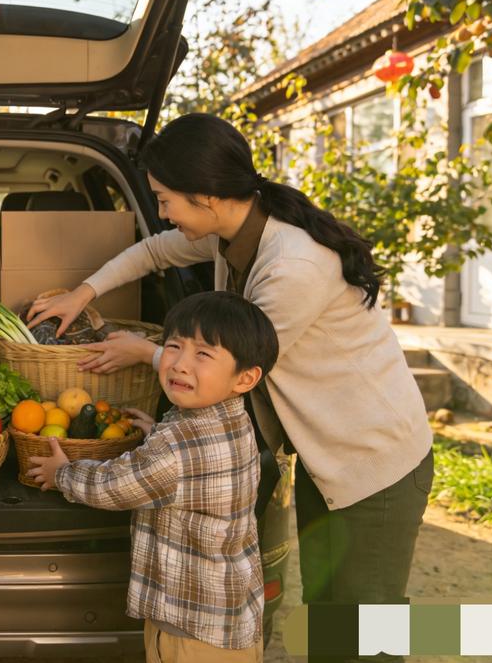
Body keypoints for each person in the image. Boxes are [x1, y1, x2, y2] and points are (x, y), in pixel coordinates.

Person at [28, 113, 433, 662]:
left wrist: (146, 352)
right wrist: (83, 293)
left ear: (208, 196)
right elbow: (153, 252)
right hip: (325, 456)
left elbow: (233, 370)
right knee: (330, 612)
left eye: (166, 200)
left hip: (371, 455)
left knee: (370, 618)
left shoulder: (291, 266)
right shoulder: (233, 235)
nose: (164, 213)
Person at [30, 291, 276, 663]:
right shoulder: (233, 420)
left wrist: (63, 473)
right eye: (173, 346)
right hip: (230, 619)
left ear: (245, 378)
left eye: (203, 354)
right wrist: (157, 433)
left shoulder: (177, 447)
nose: (178, 364)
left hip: (191, 634)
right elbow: (188, 468)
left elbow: (114, 486)